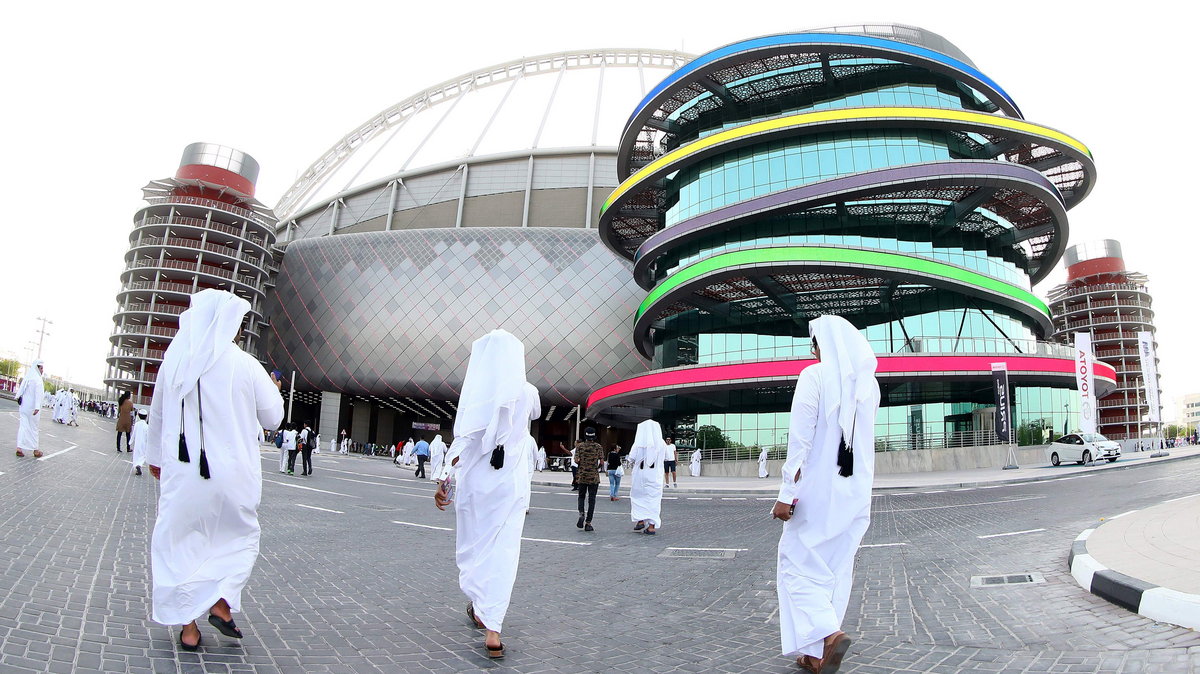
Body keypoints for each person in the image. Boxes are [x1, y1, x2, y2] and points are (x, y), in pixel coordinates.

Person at [144, 289, 284, 652]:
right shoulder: (245, 364)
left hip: (185, 474)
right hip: (234, 478)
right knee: (234, 540)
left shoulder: (174, 359)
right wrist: (274, 388)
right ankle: (221, 602)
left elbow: (157, 414)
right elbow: (274, 417)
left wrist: (156, 459)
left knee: (179, 544)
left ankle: (188, 627)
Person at [771, 316, 879, 673]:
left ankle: (828, 635)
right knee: (834, 569)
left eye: (814, 343)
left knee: (796, 564)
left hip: (818, 490)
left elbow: (800, 440)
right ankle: (815, 654)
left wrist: (787, 491)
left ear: (827, 345)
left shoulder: (814, 376)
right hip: (855, 492)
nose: (811, 350)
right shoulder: (868, 385)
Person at [433, 329, 538, 659]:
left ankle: (481, 607)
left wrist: (443, 477)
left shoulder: (477, 392)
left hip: (478, 481)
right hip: (509, 483)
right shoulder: (528, 392)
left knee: (475, 546)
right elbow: (532, 413)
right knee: (504, 551)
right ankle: (493, 628)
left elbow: (462, 439)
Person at [628, 419, 667, 535]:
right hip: (655, 476)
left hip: (640, 476)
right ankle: (651, 526)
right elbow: (667, 457)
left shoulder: (638, 444)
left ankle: (640, 520)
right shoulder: (662, 444)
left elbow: (631, 458)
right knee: (654, 500)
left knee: (638, 498)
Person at [573, 427, 604, 531]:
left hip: (582, 475)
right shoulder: (598, 447)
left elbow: (576, 460)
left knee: (581, 497)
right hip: (594, 476)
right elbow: (602, 462)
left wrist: (582, 464)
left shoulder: (580, 446)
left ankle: (581, 513)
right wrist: (596, 468)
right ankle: (588, 522)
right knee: (592, 499)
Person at [14, 360, 45, 458]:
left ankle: (19, 448)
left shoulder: (28, 376)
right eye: (41, 368)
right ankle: (35, 450)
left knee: (23, 427)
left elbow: (20, 390)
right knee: (34, 428)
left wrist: (18, 397)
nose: (42, 370)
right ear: (37, 368)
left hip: (24, 407)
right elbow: (38, 394)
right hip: (32, 409)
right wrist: (36, 407)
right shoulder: (37, 379)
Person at [130, 408, 149, 476]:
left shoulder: (137, 424)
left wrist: (130, 442)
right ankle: (139, 465)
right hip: (144, 443)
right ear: (146, 416)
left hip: (137, 443)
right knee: (142, 455)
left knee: (136, 455)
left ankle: (136, 466)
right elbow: (148, 436)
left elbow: (133, 433)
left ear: (138, 415)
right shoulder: (147, 426)